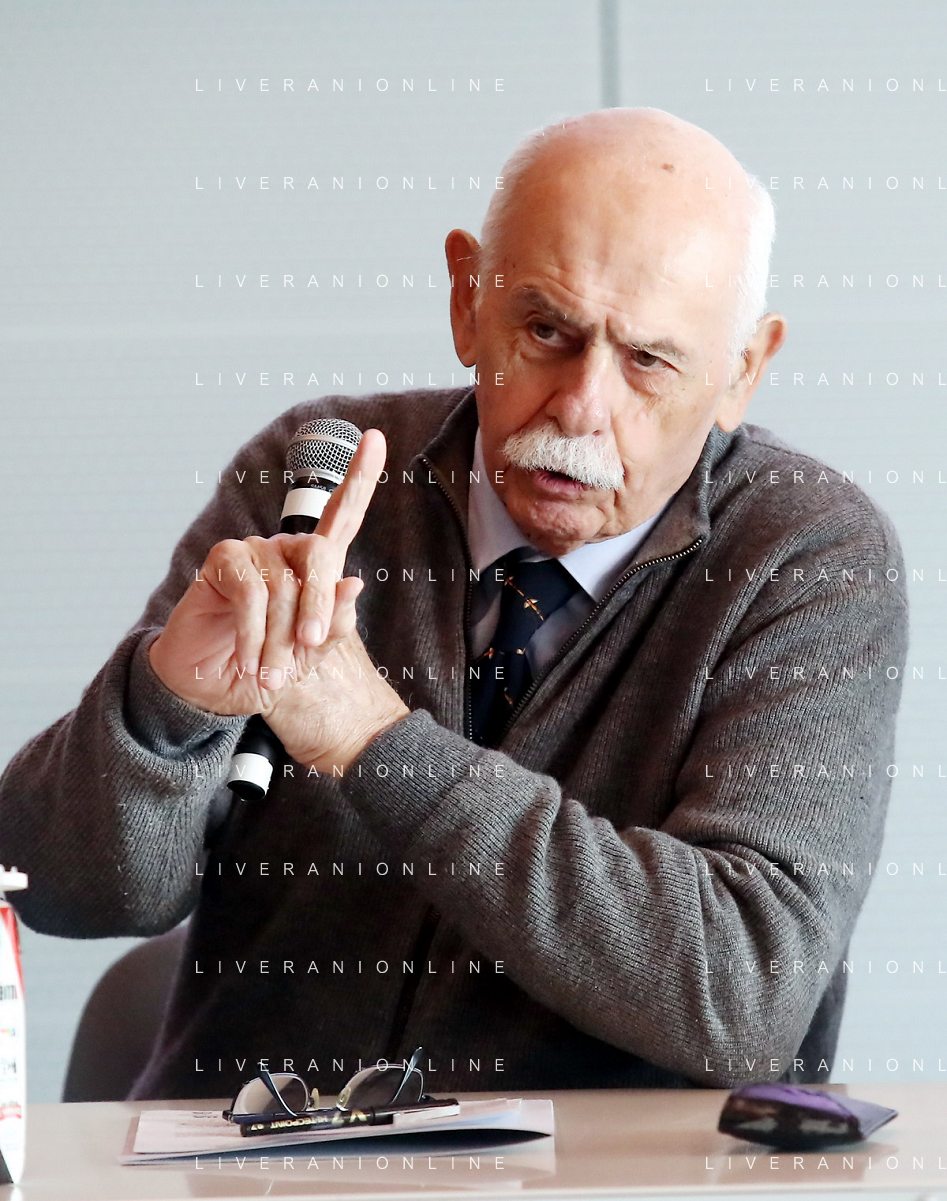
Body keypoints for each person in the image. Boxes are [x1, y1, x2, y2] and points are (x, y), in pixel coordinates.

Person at [0, 108, 907, 1099]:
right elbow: (60, 887)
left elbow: (745, 996)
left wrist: (375, 741)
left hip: (612, 1172)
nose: (581, 407)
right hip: (251, 1158)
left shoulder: (806, 554)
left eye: (648, 361)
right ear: (466, 299)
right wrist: (164, 712)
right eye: (546, 331)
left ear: (741, 370)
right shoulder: (316, 473)